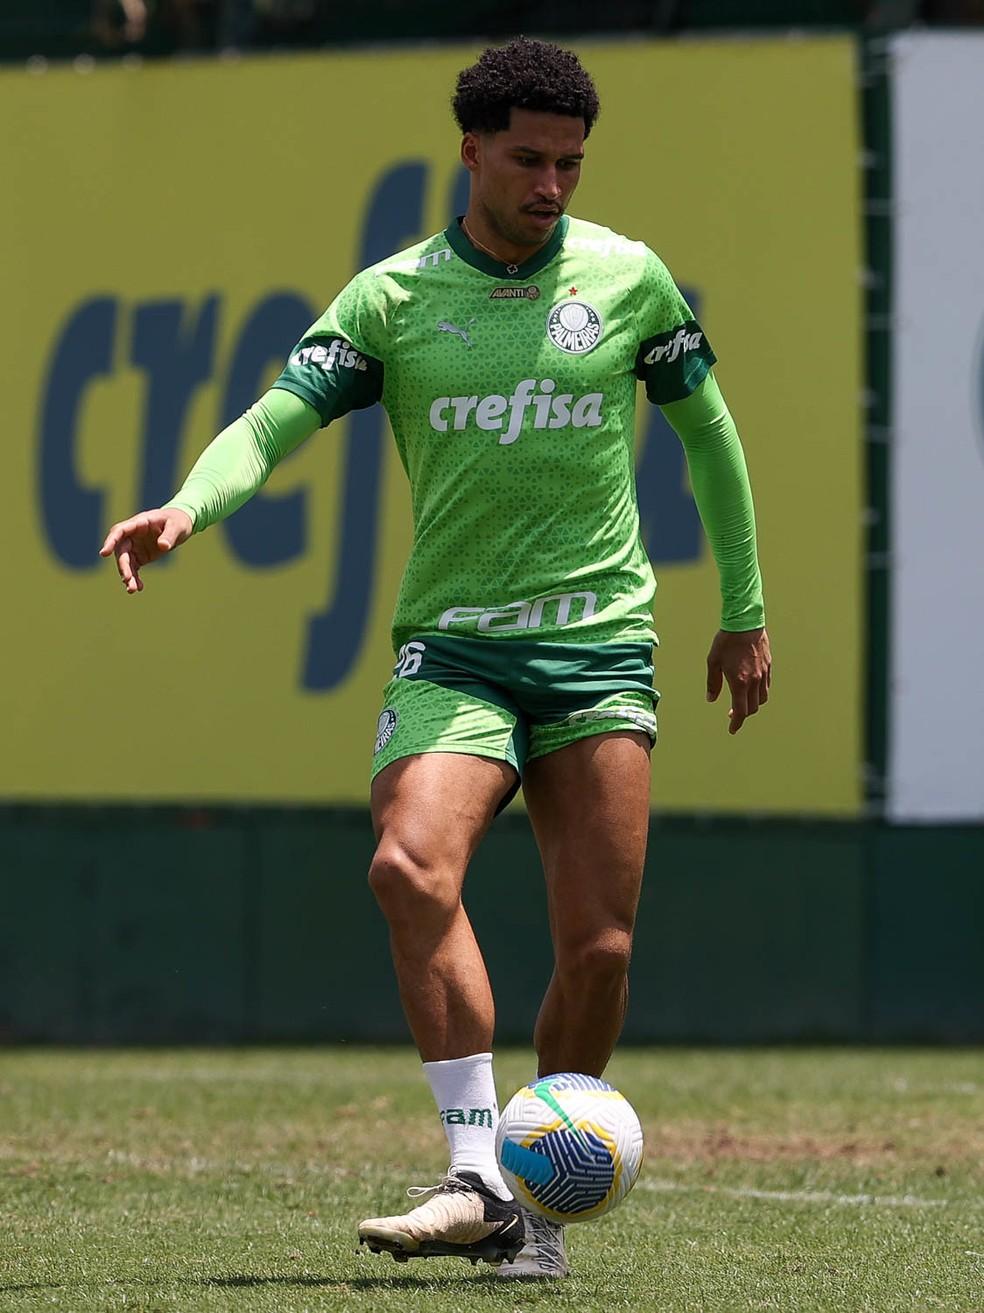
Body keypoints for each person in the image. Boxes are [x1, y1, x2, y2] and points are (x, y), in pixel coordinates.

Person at [101, 36, 771, 1280]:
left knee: (603, 948)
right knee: (410, 867)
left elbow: (712, 441)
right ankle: (476, 1170)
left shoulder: (629, 282)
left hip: (598, 650)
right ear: (470, 149)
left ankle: (540, 1207)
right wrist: (192, 503)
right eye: (528, 158)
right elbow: (275, 415)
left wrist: (745, 607)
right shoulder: (394, 298)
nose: (552, 183)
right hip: (455, 649)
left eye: (571, 162)